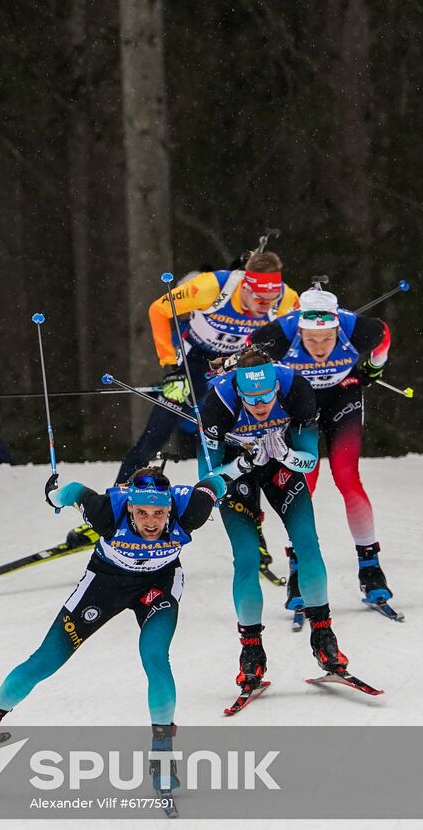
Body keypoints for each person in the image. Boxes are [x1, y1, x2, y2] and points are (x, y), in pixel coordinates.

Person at [0, 466, 227, 793]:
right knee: (44, 661)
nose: (151, 522)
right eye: (142, 512)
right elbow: (73, 491)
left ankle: (162, 750)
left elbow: (214, 483)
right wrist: (54, 495)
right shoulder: (107, 511)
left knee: (155, 658)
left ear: (169, 507)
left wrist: (230, 473)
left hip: (157, 585)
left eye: (158, 513)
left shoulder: (191, 511)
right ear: (129, 505)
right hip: (104, 583)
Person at [199, 348, 352, 696]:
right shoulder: (218, 403)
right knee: (247, 559)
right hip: (235, 472)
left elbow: (310, 461)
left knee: (307, 544)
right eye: (251, 398)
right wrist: (241, 465)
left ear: (276, 387)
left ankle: (324, 636)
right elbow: (206, 478)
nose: (260, 404)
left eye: (267, 396)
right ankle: (251, 651)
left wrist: (283, 454)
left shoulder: (296, 388)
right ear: (238, 390)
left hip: (282, 463)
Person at [247, 286, 393, 609]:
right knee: (303, 482)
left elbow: (383, 334)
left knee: (347, 477)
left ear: (337, 327)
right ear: (299, 328)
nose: (319, 347)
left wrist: (374, 368)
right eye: (311, 339)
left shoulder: (354, 328)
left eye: (327, 338)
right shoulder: (281, 334)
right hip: (302, 403)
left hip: (343, 396)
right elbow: (250, 352)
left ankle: (370, 566)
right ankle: (299, 565)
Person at [115, 250, 299, 484]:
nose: (266, 307)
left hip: (239, 361)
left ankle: (246, 501)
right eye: (261, 300)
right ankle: (115, 502)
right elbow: (158, 309)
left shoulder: (286, 298)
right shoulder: (211, 286)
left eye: (272, 300)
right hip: (196, 358)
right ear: (245, 286)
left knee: (248, 431)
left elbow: (302, 333)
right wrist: (171, 366)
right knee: (155, 434)